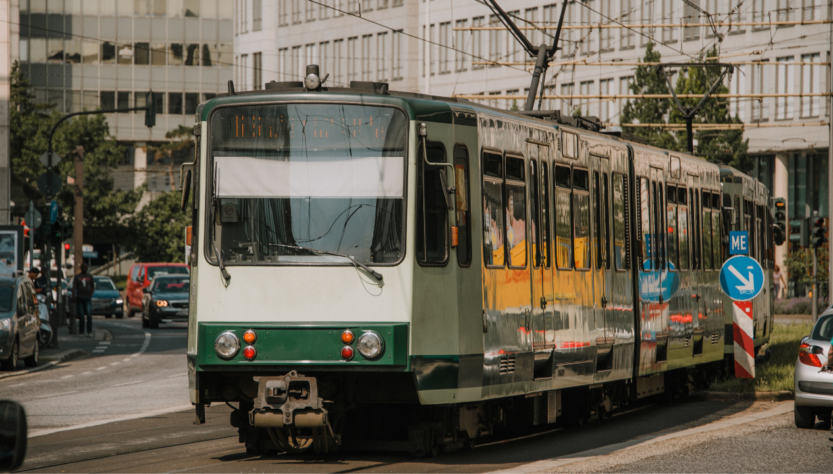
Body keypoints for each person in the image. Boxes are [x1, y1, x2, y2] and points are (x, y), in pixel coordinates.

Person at [72, 263, 95, 337]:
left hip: (87, 297)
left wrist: (90, 294)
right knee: (81, 315)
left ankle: (89, 331)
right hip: (80, 297)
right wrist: (74, 295)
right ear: (81, 268)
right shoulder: (78, 276)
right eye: (84, 267)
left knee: (89, 314)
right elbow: (74, 286)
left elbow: (92, 286)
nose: (85, 268)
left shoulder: (90, 276)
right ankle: (81, 331)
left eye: (86, 267)